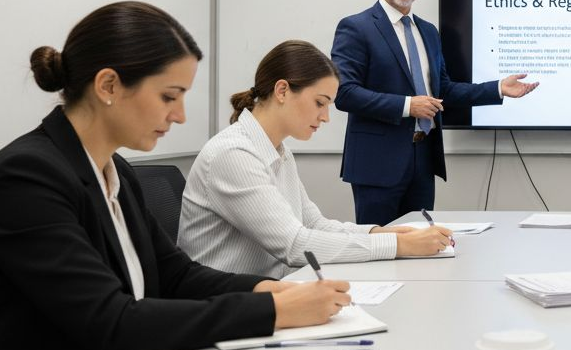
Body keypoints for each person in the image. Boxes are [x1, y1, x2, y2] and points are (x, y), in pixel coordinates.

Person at [0, 2, 350, 350]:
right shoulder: (25, 178)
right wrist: (273, 313)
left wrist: (267, 291)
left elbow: (175, 275)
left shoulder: (113, 168)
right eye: (169, 96)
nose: (180, 115)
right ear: (108, 86)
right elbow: (110, 320)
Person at [179, 40, 453, 278]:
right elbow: (294, 245)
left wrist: (387, 234)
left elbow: (314, 225)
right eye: (320, 103)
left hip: (274, 290)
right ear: (282, 91)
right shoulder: (234, 154)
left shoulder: (278, 151)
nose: (325, 116)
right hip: (230, 305)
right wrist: (400, 246)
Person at [332, 0, 538, 226]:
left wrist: (498, 88)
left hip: (423, 160)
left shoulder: (428, 31)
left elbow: (444, 90)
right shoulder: (356, 27)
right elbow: (344, 93)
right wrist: (408, 105)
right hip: (377, 165)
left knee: (421, 246)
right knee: (377, 249)